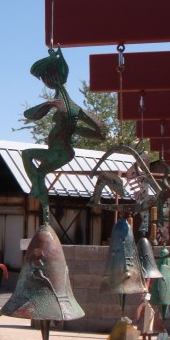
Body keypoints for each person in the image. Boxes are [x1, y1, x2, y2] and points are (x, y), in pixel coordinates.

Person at [22, 48, 105, 224]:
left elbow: (29, 115)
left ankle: (36, 188)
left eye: (44, 78)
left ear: (49, 79)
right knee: (40, 173)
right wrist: (76, 129)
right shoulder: (76, 108)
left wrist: (47, 105)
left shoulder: (58, 103)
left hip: (57, 152)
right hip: (67, 152)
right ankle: (44, 210)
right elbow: (100, 132)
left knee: (27, 154)